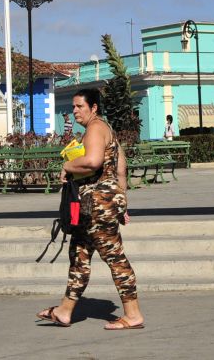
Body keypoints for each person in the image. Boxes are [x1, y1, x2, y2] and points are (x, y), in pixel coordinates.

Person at [36, 88, 145, 331]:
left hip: (96, 203)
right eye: (73, 107)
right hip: (100, 203)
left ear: (93, 107)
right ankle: (65, 310)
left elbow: (93, 161)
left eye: (79, 107)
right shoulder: (107, 130)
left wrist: (68, 165)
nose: (74, 111)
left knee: (115, 257)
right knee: (79, 255)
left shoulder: (95, 128)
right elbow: (121, 168)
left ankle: (133, 314)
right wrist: (121, 202)